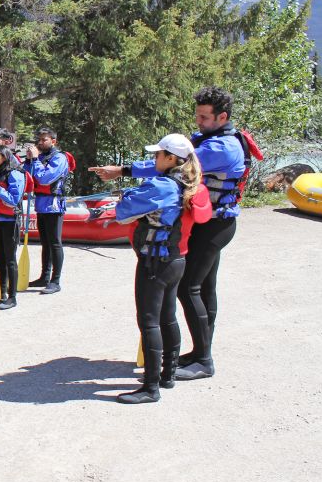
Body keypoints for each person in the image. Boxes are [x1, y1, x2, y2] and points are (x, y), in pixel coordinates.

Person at [90, 87, 259, 380]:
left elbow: (173, 165)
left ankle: (204, 359)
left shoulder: (223, 147)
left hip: (215, 226)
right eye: (198, 116)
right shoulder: (211, 138)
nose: (199, 122)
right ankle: (198, 352)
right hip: (208, 223)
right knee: (203, 288)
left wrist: (124, 170)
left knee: (187, 287)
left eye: (205, 117)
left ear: (223, 117)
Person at [109, 134, 210, 403]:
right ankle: (168, 375)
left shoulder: (163, 186)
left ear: (171, 159)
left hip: (155, 263)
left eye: (158, 155)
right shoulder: (189, 182)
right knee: (168, 317)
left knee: (149, 321)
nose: (154, 159)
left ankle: (150, 388)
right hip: (177, 260)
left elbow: (123, 213)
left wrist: (126, 197)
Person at [24, 126, 73, 294]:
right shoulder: (41, 157)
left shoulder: (60, 158)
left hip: (54, 205)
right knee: (45, 242)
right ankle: (44, 276)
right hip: (40, 204)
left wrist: (36, 160)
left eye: (44, 139)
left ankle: (56, 280)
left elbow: (45, 179)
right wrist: (29, 160)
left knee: (54, 242)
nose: (40, 142)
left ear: (53, 141)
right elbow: (28, 175)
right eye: (39, 140)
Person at [0, 146, 27, 310]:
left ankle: (12, 297)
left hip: (10, 221)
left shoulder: (14, 174)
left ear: (5, 158)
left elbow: (13, 200)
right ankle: (0, 294)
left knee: (9, 259)